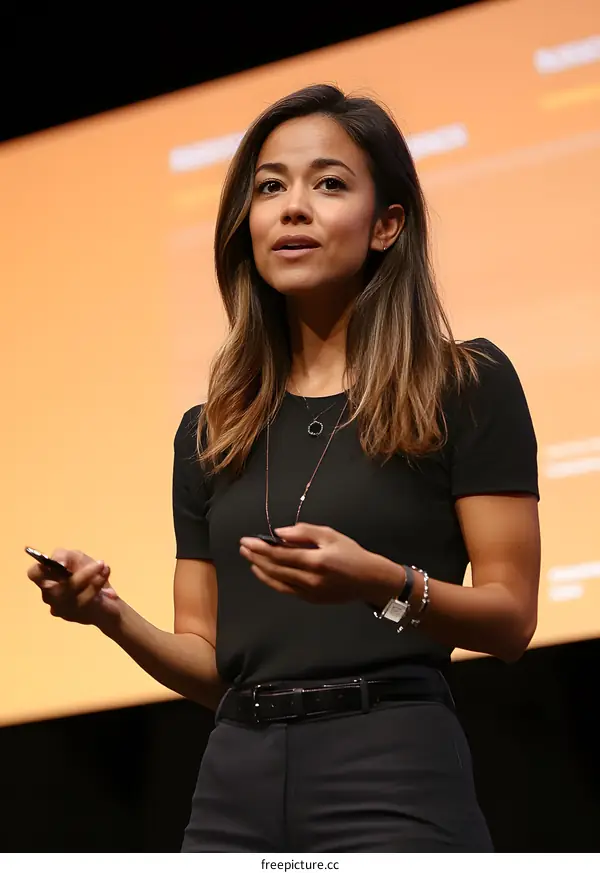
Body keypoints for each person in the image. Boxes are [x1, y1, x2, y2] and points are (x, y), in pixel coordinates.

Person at [27, 84, 540, 853]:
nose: (292, 208)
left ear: (387, 224)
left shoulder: (463, 384)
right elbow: (211, 666)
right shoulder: (211, 432)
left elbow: (512, 620)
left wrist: (379, 582)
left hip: (393, 767)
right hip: (234, 784)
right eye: (270, 188)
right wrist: (108, 612)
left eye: (328, 184)